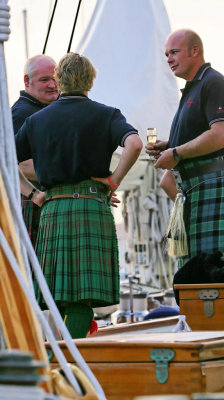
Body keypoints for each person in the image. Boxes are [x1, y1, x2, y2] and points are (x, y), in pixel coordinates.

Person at [15, 52, 143, 338]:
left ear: (59, 81)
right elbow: (134, 143)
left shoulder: (37, 120)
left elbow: (4, 160)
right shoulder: (107, 114)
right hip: (91, 206)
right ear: (91, 81)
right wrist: (114, 180)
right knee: (82, 300)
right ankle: (68, 363)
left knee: (57, 297)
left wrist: (34, 194)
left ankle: (60, 363)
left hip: (53, 209)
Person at [146, 29, 224, 266]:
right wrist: (169, 145)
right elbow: (201, 135)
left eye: (174, 52)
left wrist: (175, 153)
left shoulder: (213, 83)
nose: (169, 59)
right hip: (195, 191)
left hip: (212, 185)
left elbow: (221, 135)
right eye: (166, 54)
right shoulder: (192, 88)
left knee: (214, 272)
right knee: (195, 274)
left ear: (194, 51)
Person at [12, 54, 59, 247]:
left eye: (55, 78)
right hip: (32, 203)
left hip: (43, 202)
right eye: (44, 80)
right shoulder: (21, 114)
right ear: (27, 81)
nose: (53, 85)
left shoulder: (45, 109)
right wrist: (69, 177)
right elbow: (19, 163)